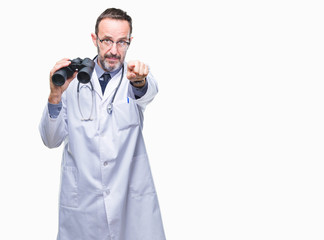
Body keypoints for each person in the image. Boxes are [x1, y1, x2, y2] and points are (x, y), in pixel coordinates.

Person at [39, 8, 165, 240]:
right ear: (94, 39)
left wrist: (140, 81)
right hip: (83, 208)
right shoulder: (71, 83)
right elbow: (50, 140)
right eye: (107, 40)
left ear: (130, 42)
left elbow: (147, 90)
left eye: (122, 42)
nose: (114, 51)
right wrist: (55, 94)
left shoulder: (132, 79)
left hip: (130, 204)